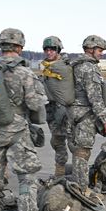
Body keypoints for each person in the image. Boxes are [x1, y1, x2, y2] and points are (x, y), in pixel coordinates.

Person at [0, 28, 46, 211]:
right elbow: (35, 104)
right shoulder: (24, 73)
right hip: (17, 130)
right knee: (26, 179)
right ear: (19, 47)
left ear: (1, 46)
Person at [69, 35, 106, 191]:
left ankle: (78, 186)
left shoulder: (75, 65)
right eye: (100, 50)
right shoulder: (89, 67)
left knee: (77, 152)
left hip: (72, 114)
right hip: (85, 117)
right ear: (90, 49)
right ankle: (82, 190)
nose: (101, 53)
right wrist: (105, 120)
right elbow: (95, 98)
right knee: (83, 153)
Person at [41, 36, 71, 177]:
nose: (49, 52)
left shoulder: (66, 66)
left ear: (58, 50)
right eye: (46, 50)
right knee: (57, 141)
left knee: (74, 143)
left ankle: (79, 173)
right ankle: (60, 171)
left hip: (67, 110)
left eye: (52, 49)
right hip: (51, 110)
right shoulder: (44, 66)